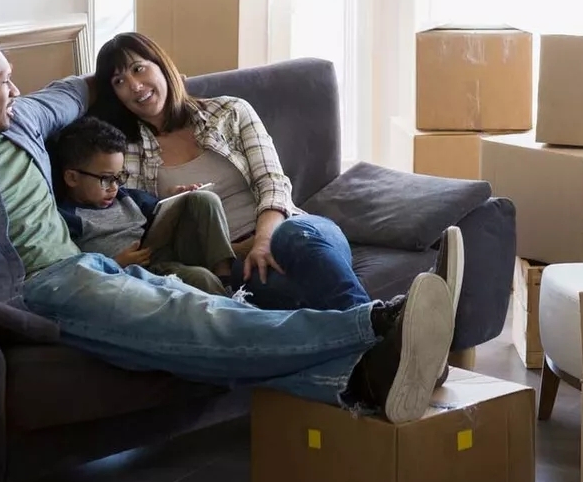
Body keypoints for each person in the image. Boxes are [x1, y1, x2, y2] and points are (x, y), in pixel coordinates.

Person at [0, 17, 452, 423]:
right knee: (199, 317)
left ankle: (364, 381)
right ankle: (376, 323)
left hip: (87, 270)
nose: (15, 90)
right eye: (4, 80)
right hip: (33, 292)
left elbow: (86, 84)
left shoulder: (25, 122)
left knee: (208, 326)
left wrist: (140, 76)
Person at [86, 32, 464, 314]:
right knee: (291, 297)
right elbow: (142, 231)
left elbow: (273, 181)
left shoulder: (229, 112)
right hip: (231, 264)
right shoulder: (126, 152)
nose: (135, 86)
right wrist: (176, 209)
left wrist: (264, 239)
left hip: (287, 227)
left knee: (299, 239)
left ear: (161, 66)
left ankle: (385, 327)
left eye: (139, 68)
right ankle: (391, 328)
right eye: (119, 81)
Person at [52, 115, 233, 298]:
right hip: (140, 276)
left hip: (160, 251)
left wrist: (176, 197)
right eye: (106, 179)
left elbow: (162, 215)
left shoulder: (128, 198)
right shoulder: (68, 218)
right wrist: (116, 263)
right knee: (202, 278)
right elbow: (75, 271)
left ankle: (225, 278)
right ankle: (233, 307)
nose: (114, 187)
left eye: (119, 177)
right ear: (72, 178)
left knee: (203, 198)